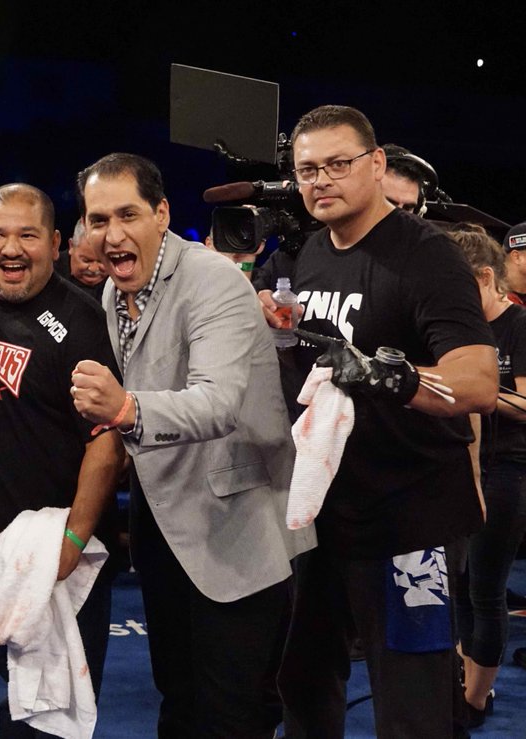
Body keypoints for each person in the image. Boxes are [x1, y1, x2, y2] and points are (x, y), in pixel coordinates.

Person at [67, 153, 315, 737]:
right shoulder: (112, 294)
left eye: (127, 214)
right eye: (98, 220)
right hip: (163, 522)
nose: (112, 233)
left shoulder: (214, 281)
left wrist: (125, 409)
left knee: (233, 712)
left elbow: (217, 402)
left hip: (236, 522)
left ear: (161, 214)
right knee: (177, 695)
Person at [275, 104, 498, 737]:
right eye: (307, 170)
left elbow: (479, 383)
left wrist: (389, 376)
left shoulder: (428, 256)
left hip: (411, 520)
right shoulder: (311, 254)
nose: (321, 181)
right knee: (305, 688)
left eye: (339, 164)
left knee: (413, 706)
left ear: (376, 165)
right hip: (322, 518)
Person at [0, 182, 124, 735]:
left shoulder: (81, 320)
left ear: (55, 243)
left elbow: (107, 438)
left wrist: (72, 539)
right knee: (16, 690)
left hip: (59, 551)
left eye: (28, 235)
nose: (12, 248)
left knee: (54, 712)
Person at [447, 225, 526, 726]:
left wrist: (474, 390)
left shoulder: (518, 325)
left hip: (509, 468)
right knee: (459, 582)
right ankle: (465, 676)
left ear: (483, 277)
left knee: (486, 587)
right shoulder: (463, 327)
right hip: (463, 462)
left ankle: (476, 701)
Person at [55, 219, 107, 301]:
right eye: (86, 261)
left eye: (102, 261)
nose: (94, 269)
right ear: (71, 246)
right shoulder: (47, 272)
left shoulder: (120, 280)